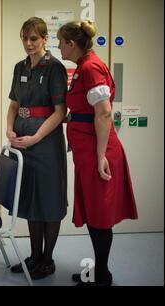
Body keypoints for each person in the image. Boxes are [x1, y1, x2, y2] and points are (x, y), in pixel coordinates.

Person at [57, 20, 138, 286]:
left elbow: (103, 113)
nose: (58, 47)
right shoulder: (83, 66)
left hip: (97, 152)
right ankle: (101, 272)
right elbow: (87, 109)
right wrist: (72, 120)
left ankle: (102, 276)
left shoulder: (90, 67)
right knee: (94, 212)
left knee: (100, 216)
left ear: (72, 44)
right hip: (87, 150)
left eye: (60, 42)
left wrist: (101, 155)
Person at [6, 17, 68, 280]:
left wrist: (36, 137)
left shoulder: (55, 68)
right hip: (22, 142)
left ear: (45, 39)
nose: (29, 44)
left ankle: (47, 259)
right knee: (31, 199)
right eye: (25, 38)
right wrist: (10, 129)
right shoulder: (20, 67)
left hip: (46, 144)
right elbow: (13, 104)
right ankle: (33, 256)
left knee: (49, 200)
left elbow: (59, 112)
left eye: (34, 39)